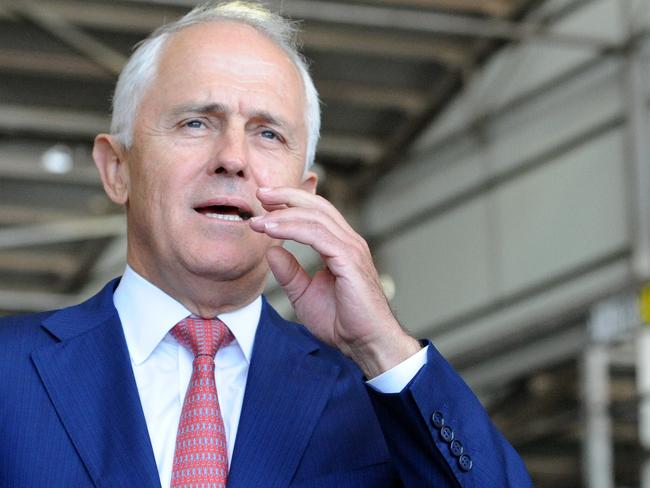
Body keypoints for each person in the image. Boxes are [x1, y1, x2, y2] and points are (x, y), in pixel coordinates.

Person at [0, 2, 533, 487]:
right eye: (195, 122)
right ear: (118, 170)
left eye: (268, 134)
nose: (232, 157)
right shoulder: (11, 370)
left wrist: (381, 344)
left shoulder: (376, 396)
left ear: (303, 197)